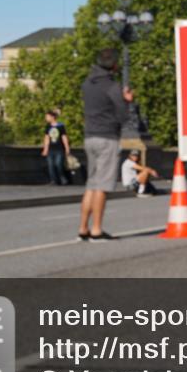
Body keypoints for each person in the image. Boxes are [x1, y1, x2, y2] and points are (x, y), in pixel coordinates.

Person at [79, 48, 132, 241]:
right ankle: (97, 230)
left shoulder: (87, 84)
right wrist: (127, 101)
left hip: (89, 136)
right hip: (107, 137)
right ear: (114, 65)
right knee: (102, 186)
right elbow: (123, 116)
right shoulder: (112, 86)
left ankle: (83, 228)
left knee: (91, 185)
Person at [41, 110, 70, 185]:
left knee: (58, 164)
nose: (46, 118)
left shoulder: (60, 126)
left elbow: (64, 137)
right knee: (50, 165)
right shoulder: (48, 127)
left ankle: (62, 177)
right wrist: (45, 149)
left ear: (52, 117)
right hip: (51, 149)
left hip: (59, 148)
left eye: (47, 117)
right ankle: (53, 180)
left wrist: (67, 148)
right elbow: (47, 138)